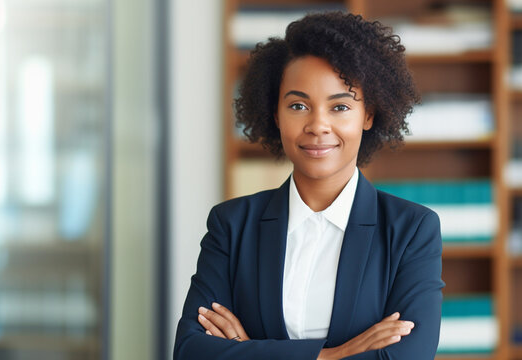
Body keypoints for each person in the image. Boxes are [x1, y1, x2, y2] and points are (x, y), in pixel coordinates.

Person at [173, 11, 444, 360]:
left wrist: (249, 352)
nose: (318, 125)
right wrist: (329, 355)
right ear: (275, 114)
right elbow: (191, 351)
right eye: (298, 105)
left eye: (340, 106)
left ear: (369, 115)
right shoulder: (232, 225)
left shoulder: (411, 230)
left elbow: (409, 356)